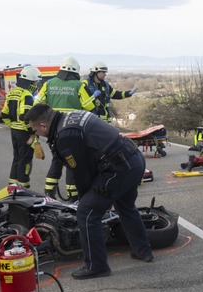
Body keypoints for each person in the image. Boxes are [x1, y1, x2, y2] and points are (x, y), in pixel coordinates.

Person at [24, 103, 153, 279]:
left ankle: (96, 266)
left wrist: (85, 200)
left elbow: (81, 172)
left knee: (86, 213)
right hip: (133, 160)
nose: (36, 134)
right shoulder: (70, 117)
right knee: (125, 206)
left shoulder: (65, 135)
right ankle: (143, 251)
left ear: (43, 126)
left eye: (35, 130)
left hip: (119, 168)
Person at [34, 57, 94, 200]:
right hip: (72, 129)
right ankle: (73, 196)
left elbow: (38, 103)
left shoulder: (49, 84)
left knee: (57, 159)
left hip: (53, 129)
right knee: (73, 162)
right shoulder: (79, 85)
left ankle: (49, 193)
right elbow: (90, 107)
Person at [1, 66, 43, 188]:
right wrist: (32, 132)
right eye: (36, 81)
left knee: (17, 159)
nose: (37, 84)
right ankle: (23, 188)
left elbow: (4, 114)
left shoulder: (13, 92)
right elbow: (26, 117)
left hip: (15, 132)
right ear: (30, 82)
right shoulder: (27, 95)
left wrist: (13, 126)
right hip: (24, 133)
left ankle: (13, 186)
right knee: (25, 161)